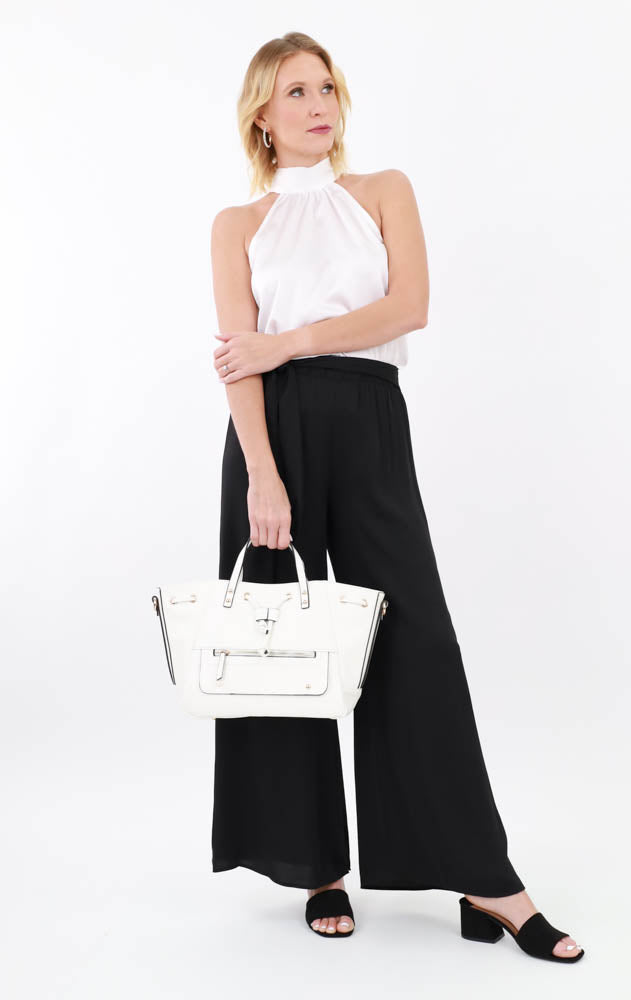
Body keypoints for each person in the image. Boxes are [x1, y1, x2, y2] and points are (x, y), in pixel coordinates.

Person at [208, 32, 584, 963]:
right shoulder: (236, 225)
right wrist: (261, 470)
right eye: (293, 91)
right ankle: (312, 866)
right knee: (285, 647)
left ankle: (482, 878)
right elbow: (235, 359)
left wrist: (289, 342)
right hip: (272, 438)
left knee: (414, 636)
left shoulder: (382, 191)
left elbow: (406, 307)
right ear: (261, 113)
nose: (316, 104)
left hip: (368, 419)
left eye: (326, 86)